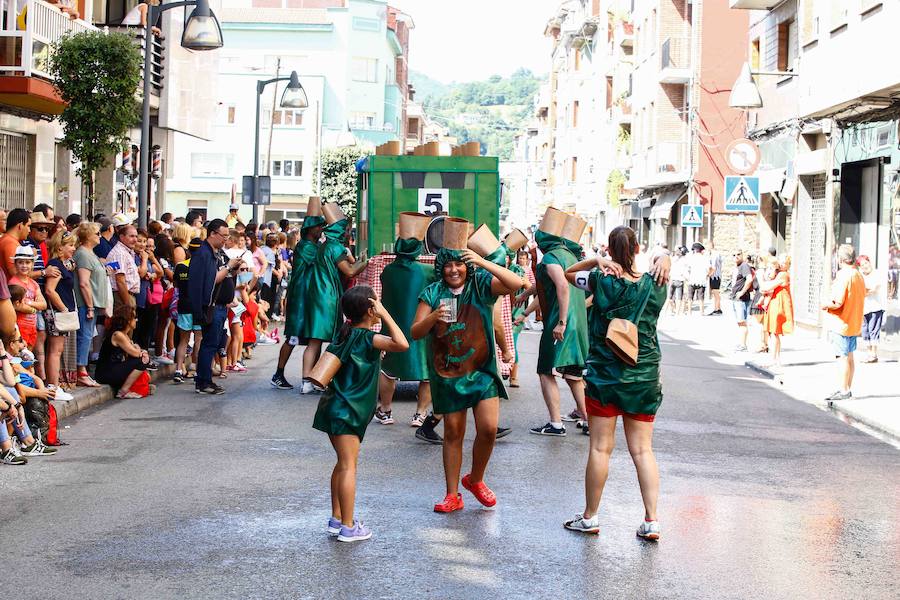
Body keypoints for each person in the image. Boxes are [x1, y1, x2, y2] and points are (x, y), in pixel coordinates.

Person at [562, 226, 669, 539]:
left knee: (599, 449)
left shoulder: (600, 279)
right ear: (637, 249)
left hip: (606, 377)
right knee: (642, 451)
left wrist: (596, 261)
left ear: (609, 248)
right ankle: (651, 521)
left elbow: (570, 273)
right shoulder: (658, 282)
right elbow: (660, 264)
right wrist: (663, 257)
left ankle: (590, 517)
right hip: (644, 376)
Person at [411, 236, 522, 513]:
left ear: (467, 265)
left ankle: (476, 479)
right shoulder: (432, 293)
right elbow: (415, 332)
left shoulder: (481, 285)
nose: (454, 270)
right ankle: (452, 494)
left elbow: (516, 284)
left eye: (459, 264)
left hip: (482, 370)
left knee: (487, 429)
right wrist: (433, 316)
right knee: (453, 432)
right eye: (448, 265)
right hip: (447, 372)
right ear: (440, 267)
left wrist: (484, 262)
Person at [313, 286, 409, 543]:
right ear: (370, 310)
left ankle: (336, 519)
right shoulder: (368, 338)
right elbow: (402, 343)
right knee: (348, 467)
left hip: (334, 408)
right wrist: (386, 314)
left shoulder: (346, 334)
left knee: (341, 464)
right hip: (349, 411)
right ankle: (347, 526)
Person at [300, 204, 368, 394]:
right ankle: (325, 377)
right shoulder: (336, 247)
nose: (347, 231)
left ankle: (307, 381)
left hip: (317, 296)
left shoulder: (324, 246)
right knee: (337, 340)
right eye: (345, 228)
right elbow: (351, 270)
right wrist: (366, 261)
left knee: (314, 341)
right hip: (328, 298)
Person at [531, 214, 589, 437]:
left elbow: (561, 286)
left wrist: (561, 322)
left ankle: (555, 424)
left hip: (560, 322)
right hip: (579, 324)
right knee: (574, 374)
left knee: (545, 371)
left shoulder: (551, 258)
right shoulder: (571, 257)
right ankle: (586, 419)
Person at [374, 218, 435, 426]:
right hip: (421, 328)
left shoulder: (387, 271)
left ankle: (385, 410)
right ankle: (420, 413)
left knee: (388, 369)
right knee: (426, 372)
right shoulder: (427, 271)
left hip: (393, 327)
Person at [271, 209, 325, 390]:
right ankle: (279, 374)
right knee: (293, 337)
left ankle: (310, 377)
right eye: (319, 227)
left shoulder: (310, 246)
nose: (321, 230)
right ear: (311, 229)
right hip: (301, 298)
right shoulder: (307, 247)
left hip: (307, 297)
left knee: (310, 337)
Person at [188, 219, 243, 395]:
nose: (226, 239)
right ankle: (203, 382)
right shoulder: (203, 254)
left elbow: (225, 273)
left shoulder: (218, 252)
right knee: (209, 344)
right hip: (211, 306)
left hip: (221, 305)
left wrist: (234, 267)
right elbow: (210, 280)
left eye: (228, 236)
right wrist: (229, 267)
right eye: (223, 236)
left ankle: (205, 380)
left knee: (213, 343)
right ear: (212, 233)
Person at [822, 245, 866, 402]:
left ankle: (844, 390)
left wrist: (825, 304)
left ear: (840, 259)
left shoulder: (843, 275)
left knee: (842, 357)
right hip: (853, 322)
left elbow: (837, 301)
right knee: (850, 357)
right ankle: (847, 388)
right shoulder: (858, 275)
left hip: (841, 322)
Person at [43, 230, 78, 401]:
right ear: (60, 247)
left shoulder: (62, 263)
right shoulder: (56, 265)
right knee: (55, 351)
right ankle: (53, 387)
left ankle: (54, 386)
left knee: (57, 350)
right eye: (70, 245)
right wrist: (63, 309)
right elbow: (50, 290)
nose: (73, 248)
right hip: (57, 313)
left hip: (60, 311)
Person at [73, 223, 109, 387]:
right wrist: (89, 306)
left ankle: (82, 369)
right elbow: (83, 283)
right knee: (85, 336)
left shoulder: (90, 253)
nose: (99, 236)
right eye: (96, 233)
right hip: (86, 303)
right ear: (87, 236)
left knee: (88, 335)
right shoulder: (83, 254)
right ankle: (81, 371)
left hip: (92, 303)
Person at [95, 305, 156, 398]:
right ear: (128, 320)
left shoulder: (125, 335)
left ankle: (131, 387)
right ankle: (123, 390)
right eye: (134, 318)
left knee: (143, 363)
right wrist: (142, 352)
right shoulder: (117, 334)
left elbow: (135, 351)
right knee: (142, 361)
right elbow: (136, 354)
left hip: (114, 369)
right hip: (105, 372)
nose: (136, 320)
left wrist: (140, 351)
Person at [8, 246, 46, 351]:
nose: (24, 265)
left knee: (28, 358)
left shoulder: (33, 283)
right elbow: (18, 306)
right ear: (15, 264)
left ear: (32, 264)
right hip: (18, 327)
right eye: (20, 262)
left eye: (27, 262)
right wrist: (34, 309)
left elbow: (44, 304)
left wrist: (29, 302)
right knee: (20, 357)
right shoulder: (13, 282)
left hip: (31, 327)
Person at [759, 255, 794, 367]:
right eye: (781, 262)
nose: (782, 264)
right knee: (774, 333)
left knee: (774, 332)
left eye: (785, 262)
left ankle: (773, 359)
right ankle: (776, 359)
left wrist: (762, 283)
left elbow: (766, 287)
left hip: (779, 304)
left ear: (789, 265)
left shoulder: (783, 274)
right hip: (776, 302)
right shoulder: (780, 273)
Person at [107, 225, 141, 310]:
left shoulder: (127, 252)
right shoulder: (119, 253)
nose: (135, 240)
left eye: (136, 236)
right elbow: (120, 281)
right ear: (122, 237)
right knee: (123, 322)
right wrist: (127, 304)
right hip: (122, 296)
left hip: (128, 295)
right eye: (131, 236)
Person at [858, 255, 885, 363]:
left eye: (866, 263)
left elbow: (874, 289)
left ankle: (874, 354)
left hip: (875, 307)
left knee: (873, 330)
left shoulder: (876, 274)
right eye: (862, 264)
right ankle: (869, 354)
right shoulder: (860, 276)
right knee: (865, 331)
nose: (865, 266)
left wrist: (864, 292)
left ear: (869, 262)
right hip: (864, 308)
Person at [731, 250, 753, 352]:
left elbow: (749, 279)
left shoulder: (744, 266)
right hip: (736, 299)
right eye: (734, 254)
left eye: (738, 254)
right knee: (740, 323)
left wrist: (741, 292)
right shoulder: (737, 267)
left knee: (742, 322)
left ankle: (743, 345)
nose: (736, 256)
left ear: (742, 255)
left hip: (741, 299)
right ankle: (741, 344)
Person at [0, 208, 32, 279]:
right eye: (28, 226)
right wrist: (43, 272)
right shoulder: (10, 243)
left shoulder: (8, 240)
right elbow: (16, 274)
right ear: (20, 225)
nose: (29, 230)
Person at [685, 242, 710, 316]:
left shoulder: (691, 258)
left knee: (690, 297)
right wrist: (707, 275)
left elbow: (688, 268)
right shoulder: (705, 258)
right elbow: (710, 268)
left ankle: (689, 312)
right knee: (701, 297)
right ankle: (701, 312)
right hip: (701, 279)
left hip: (692, 279)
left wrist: (687, 277)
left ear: (694, 250)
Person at [666, 246, 688, 316]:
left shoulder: (672, 259)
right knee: (679, 297)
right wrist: (687, 278)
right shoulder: (684, 260)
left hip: (672, 278)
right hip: (680, 279)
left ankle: (669, 310)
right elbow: (685, 271)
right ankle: (677, 312)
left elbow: (669, 268)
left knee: (669, 296)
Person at [705, 240, 723, 315]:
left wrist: (708, 275)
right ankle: (717, 308)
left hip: (715, 276)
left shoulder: (714, 255)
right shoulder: (715, 254)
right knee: (715, 293)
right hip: (716, 275)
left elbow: (713, 267)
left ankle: (717, 309)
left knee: (716, 293)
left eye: (707, 245)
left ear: (710, 245)